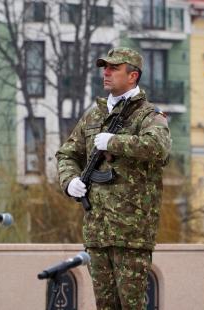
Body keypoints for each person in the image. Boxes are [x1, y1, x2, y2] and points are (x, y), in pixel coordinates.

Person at [56, 47, 171, 309]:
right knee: (105, 305)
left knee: (131, 306)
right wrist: (69, 180)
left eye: (113, 68)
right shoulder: (94, 115)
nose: (105, 73)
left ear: (133, 76)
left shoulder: (149, 115)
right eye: (104, 68)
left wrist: (114, 142)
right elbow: (66, 153)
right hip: (97, 229)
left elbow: (159, 148)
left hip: (131, 232)